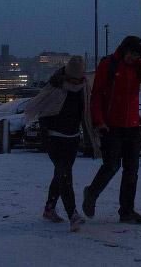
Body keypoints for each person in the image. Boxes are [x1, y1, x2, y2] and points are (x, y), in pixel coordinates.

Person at [83, 35, 141, 225]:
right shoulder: (108, 64)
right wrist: (99, 121)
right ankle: (92, 193)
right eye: (130, 54)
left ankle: (126, 211)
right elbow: (97, 96)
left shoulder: (137, 67)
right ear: (123, 50)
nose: (132, 58)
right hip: (111, 126)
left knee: (131, 170)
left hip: (132, 126)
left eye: (136, 55)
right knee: (112, 165)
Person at [23, 55, 99, 232]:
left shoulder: (83, 87)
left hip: (72, 136)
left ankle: (49, 208)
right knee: (65, 174)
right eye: (72, 78)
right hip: (53, 136)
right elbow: (37, 104)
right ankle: (72, 214)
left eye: (77, 78)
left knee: (61, 172)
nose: (74, 81)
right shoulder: (55, 85)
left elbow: (86, 109)